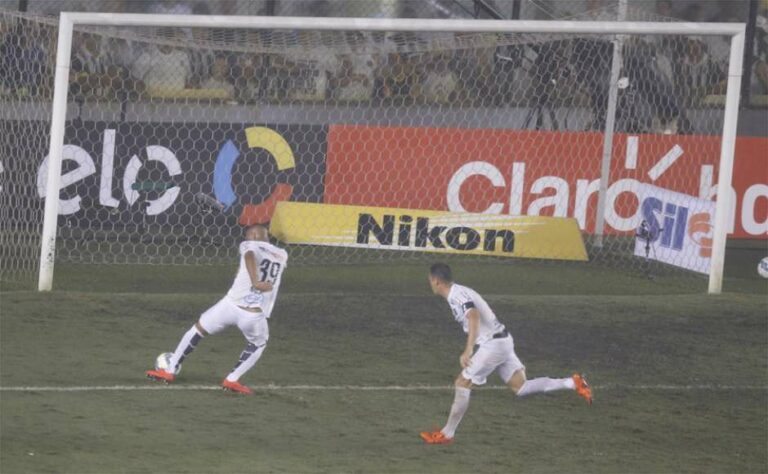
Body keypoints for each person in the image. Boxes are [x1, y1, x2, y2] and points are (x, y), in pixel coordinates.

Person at [419, 263, 592, 445]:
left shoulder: (457, 295)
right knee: (521, 387)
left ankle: (447, 434)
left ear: (436, 281)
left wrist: (468, 349)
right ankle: (573, 382)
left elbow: (474, 316)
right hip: (503, 341)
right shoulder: (459, 292)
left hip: (493, 345)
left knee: (462, 382)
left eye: (430, 280)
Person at [146, 225, 288, 395]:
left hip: (229, 306)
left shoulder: (248, 245)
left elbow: (250, 256)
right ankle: (232, 380)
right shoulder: (282, 254)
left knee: (198, 329)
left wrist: (255, 282)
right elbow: (257, 263)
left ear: (252, 236)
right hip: (253, 314)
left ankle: (169, 370)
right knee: (258, 343)